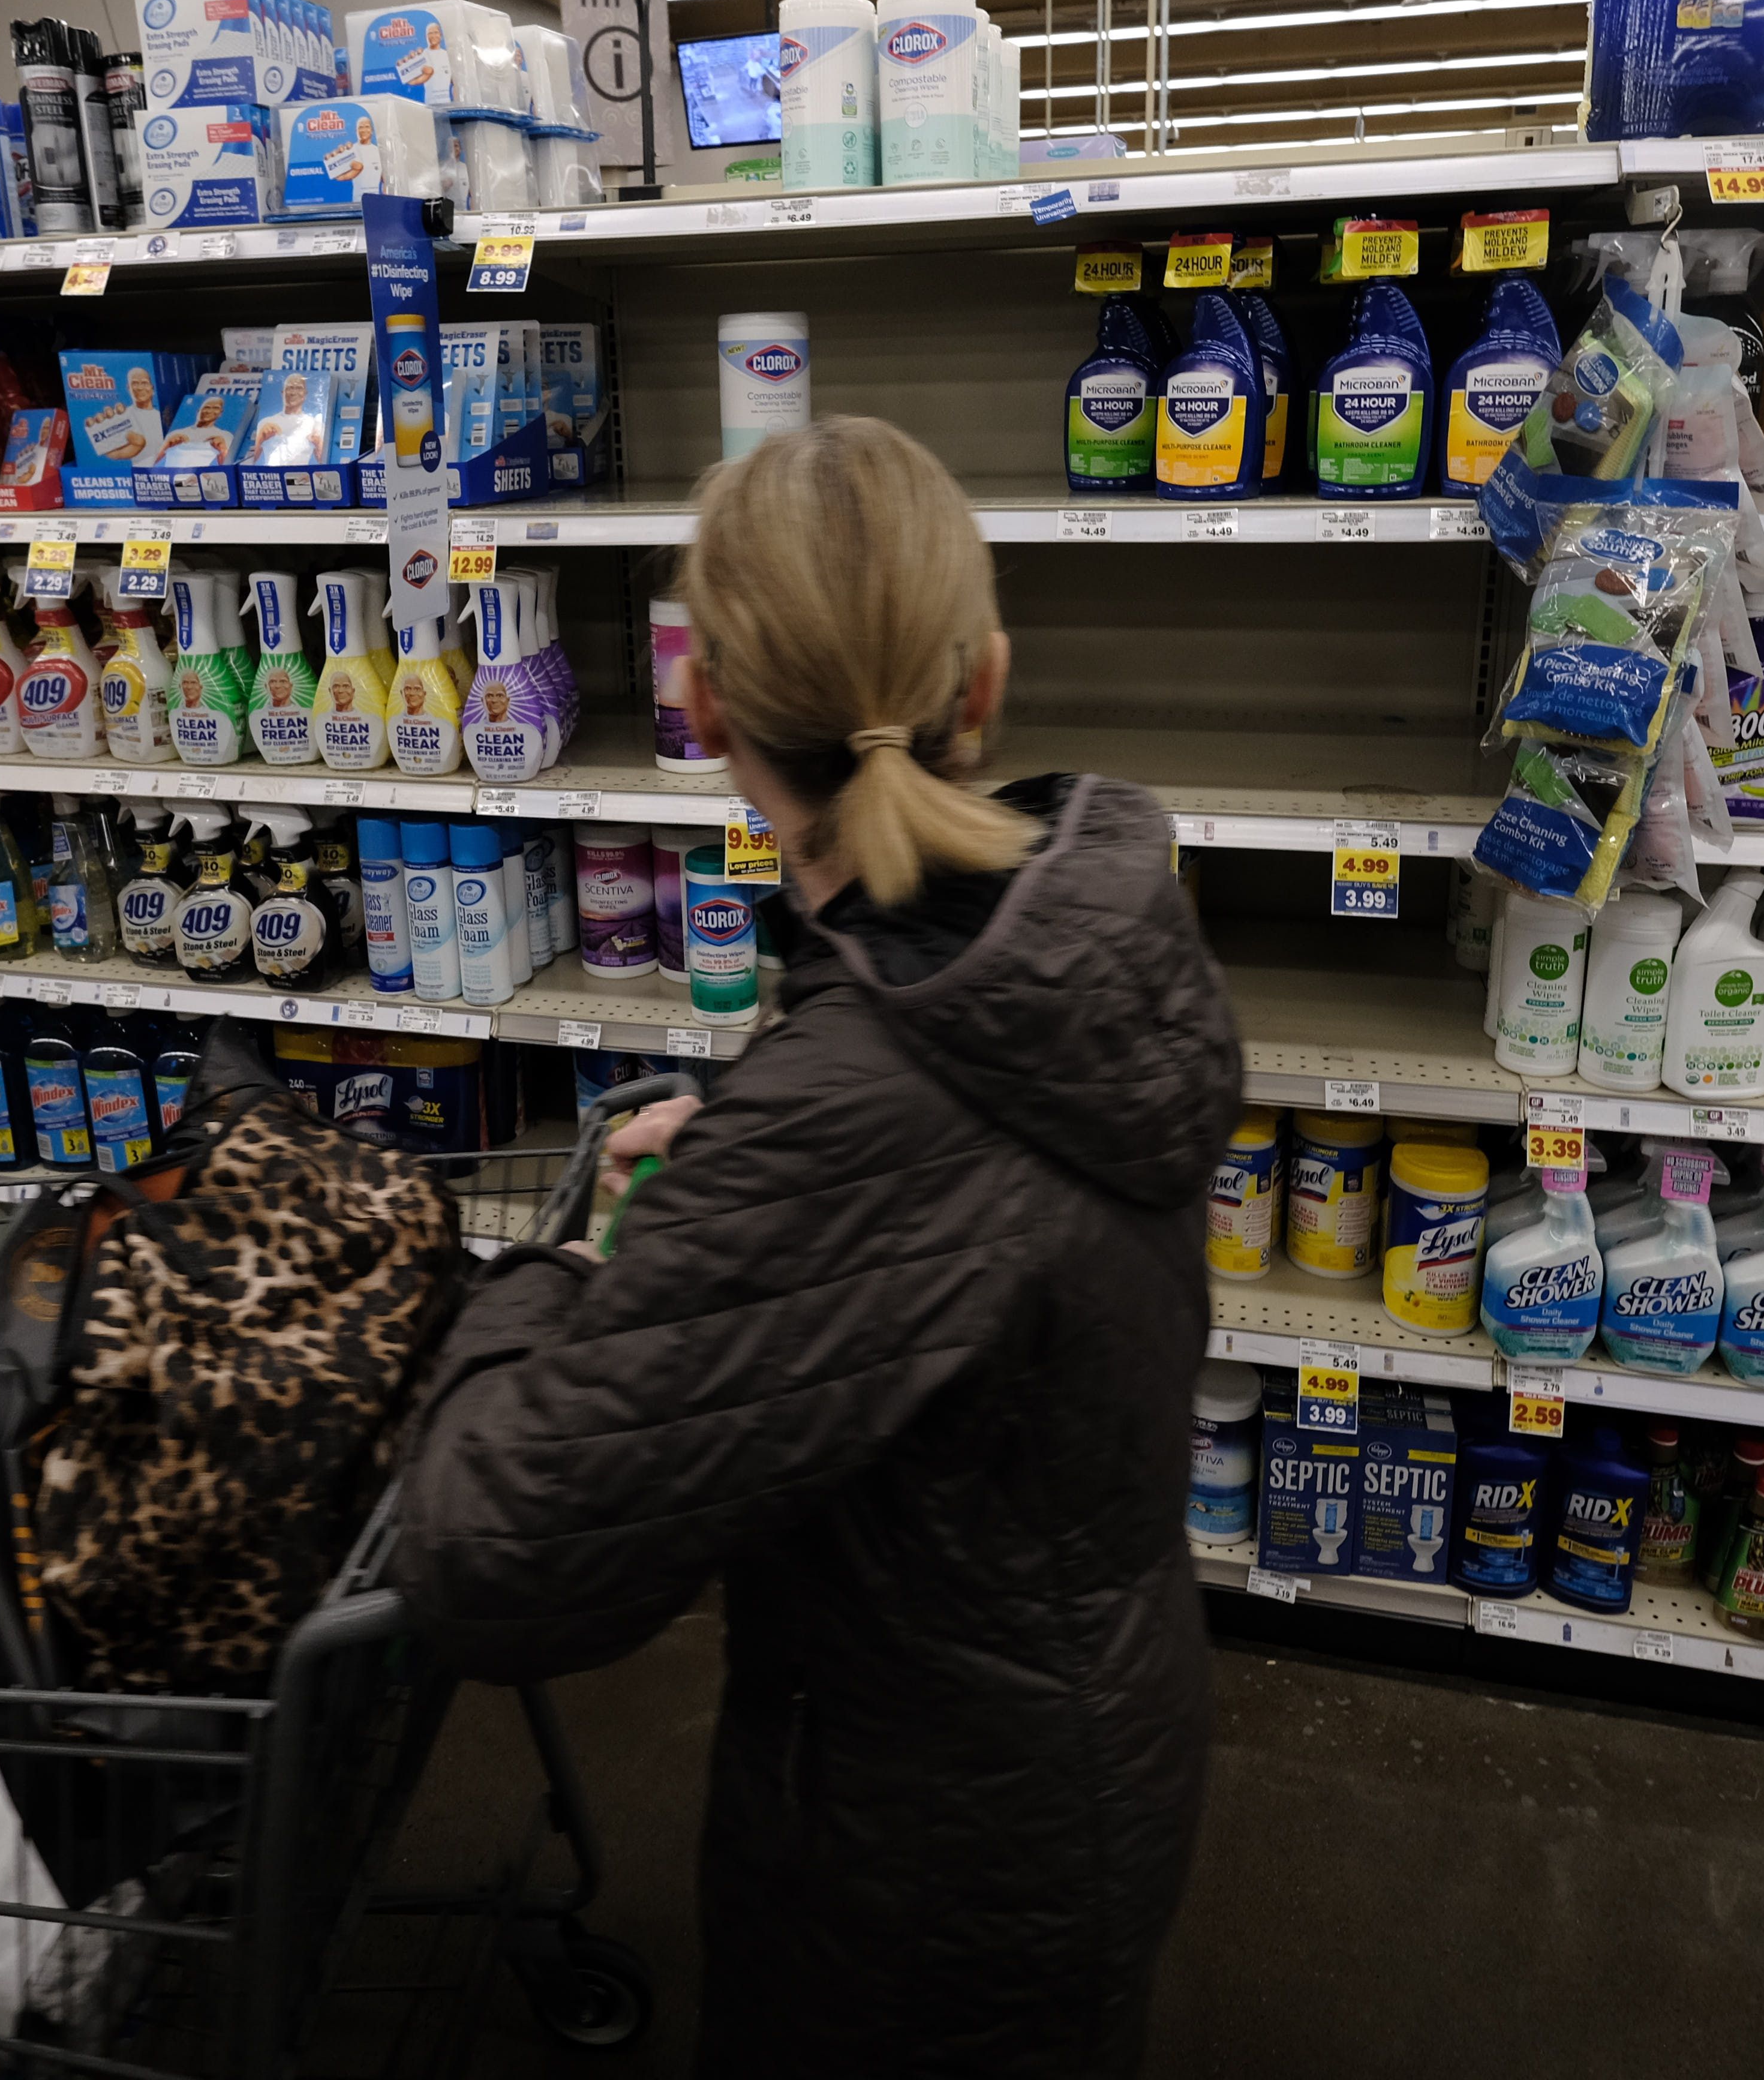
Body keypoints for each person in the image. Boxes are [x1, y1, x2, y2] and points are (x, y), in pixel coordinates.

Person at [393, 416, 1242, 2076]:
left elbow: (493, 1560)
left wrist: (547, 1289)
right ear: (983, 682)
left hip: (921, 1855)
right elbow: (967, 1216)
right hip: (1086, 1726)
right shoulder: (1077, 939)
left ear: (701, 708)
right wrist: (764, 1186)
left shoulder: (854, 1108)